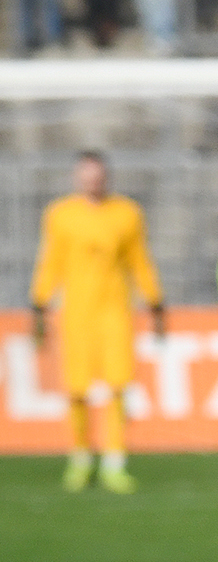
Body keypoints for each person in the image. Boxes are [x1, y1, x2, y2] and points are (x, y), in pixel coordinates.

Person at [31, 150, 164, 495]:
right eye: (86, 174)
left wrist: (154, 299)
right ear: (78, 177)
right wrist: (40, 300)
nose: (93, 180)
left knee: (118, 384)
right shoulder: (60, 214)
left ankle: (114, 463)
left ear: (107, 177)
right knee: (76, 388)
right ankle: (79, 458)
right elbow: (52, 260)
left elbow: (139, 259)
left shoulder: (127, 213)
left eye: (98, 174)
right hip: (76, 312)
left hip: (115, 310)